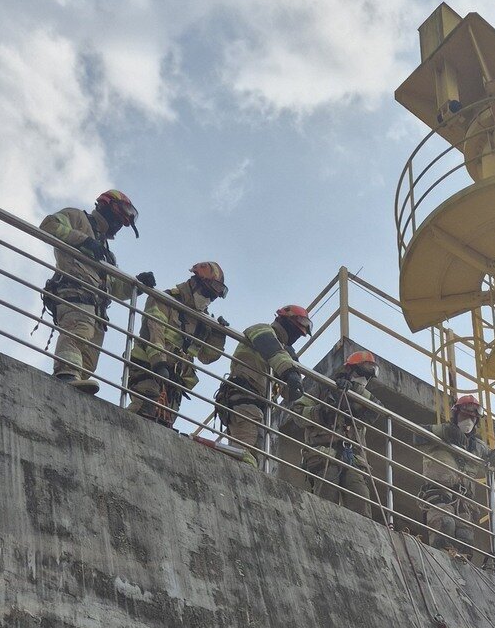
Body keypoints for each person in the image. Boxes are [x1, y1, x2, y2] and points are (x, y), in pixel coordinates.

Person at [39, 189, 150, 394]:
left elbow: (114, 288)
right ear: (106, 205)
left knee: (89, 358)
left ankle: (76, 385)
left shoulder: (108, 253)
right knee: (77, 332)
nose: (119, 225)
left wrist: (137, 285)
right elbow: (48, 226)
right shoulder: (77, 217)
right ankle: (65, 375)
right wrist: (82, 240)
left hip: (98, 311)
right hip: (75, 292)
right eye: (120, 217)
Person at [125, 262, 228, 428]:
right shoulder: (166, 299)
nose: (208, 299)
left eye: (212, 297)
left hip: (175, 382)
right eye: (207, 293)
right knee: (143, 411)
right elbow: (154, 332)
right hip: (149, 367)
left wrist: (218, 335)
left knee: (164, 424)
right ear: (195, 283)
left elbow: (207, 357)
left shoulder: (203, 319)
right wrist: (159, 363)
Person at [214, 304, 313, 466]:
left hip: (260, 409)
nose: (296, 337)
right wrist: (290, 369)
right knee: (244, 453)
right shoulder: (262, 331)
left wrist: (293, 369)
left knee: (255, 458)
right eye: (296, 331)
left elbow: (288, 393)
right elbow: (271, 349)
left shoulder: (284, 353)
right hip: (244, 398)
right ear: (284, 321)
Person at [285, 350, 377, 508]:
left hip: (353, 460)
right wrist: (322, 412)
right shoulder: (323, 388)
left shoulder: (363, 398)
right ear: (349, 370)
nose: (364, 379)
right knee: (325, 504)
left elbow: (376, 411)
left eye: (367, 376)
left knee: (361, 503)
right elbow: (297, 412)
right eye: (362, 373)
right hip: (324, 456)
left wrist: (355, 391)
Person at [418, 394, 495, 555]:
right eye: (465, 416)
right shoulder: (441, 432)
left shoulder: (477, 447)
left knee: (465, 537)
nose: (469, 421)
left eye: (473, 418)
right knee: (445, 524)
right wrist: (444, 432)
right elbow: (417, 434)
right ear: (456, 415)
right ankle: (440, 559)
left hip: (464, 502)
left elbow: (493, 459)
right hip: (439, 492)